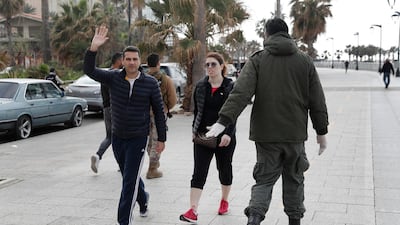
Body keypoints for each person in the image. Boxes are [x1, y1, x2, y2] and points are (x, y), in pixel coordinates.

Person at [206, 18, 329, 225]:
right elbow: (317, 99)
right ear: (287, 33)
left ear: (267, 34)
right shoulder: (304, 61)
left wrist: (223, 121)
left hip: (266, 135)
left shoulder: (258, 60)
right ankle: (294, 221)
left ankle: (254, 218)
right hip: (294, 135)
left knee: (263, 180)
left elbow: (241, 92)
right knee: (295, 179)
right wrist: (321, 132)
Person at [83, 25, 167, 225]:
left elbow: (159, 111)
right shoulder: (113, 78)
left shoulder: (150, 83)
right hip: (118, 138)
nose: (131, 62)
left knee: (128, 182)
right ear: (123, 61)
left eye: (135, 59)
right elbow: (89, 70)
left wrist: (161, 139)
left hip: (138, 138)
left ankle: (123, 221)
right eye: (127, 59)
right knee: (130, 177)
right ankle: (144, 199)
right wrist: (93, 48)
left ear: (140, 62)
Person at [179, 52, 236, 224]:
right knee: (199, 172)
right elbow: (198, 112)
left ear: (221, 66)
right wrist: (194, 131)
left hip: (224, 136)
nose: (210, 68)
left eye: (213, 64)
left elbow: (234, 113)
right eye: (207, 65)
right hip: (203, 135)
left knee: (224, 169)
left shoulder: (229, 86)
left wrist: (228, 133)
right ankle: (193, 210)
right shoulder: (201, 86)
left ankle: (224, 200)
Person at [145, 53, 177, 179]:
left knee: (148, 142)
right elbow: (173, 99)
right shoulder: (166, 79)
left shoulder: (142, 78)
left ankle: (153, 163)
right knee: (157, 141)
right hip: (159, 114)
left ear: (147, 64)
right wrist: (166, 107)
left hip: (143, 114)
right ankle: (152, 169)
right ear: (158, 64)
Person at [90, 52, 123, 173]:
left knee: (110, 136)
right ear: (119, 61)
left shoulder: (105, 75)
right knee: (119, 136)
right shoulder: (116, 75)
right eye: (123, 60)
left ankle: (98, 155)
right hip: (115, 109)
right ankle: (122, 163)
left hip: (106, 108)